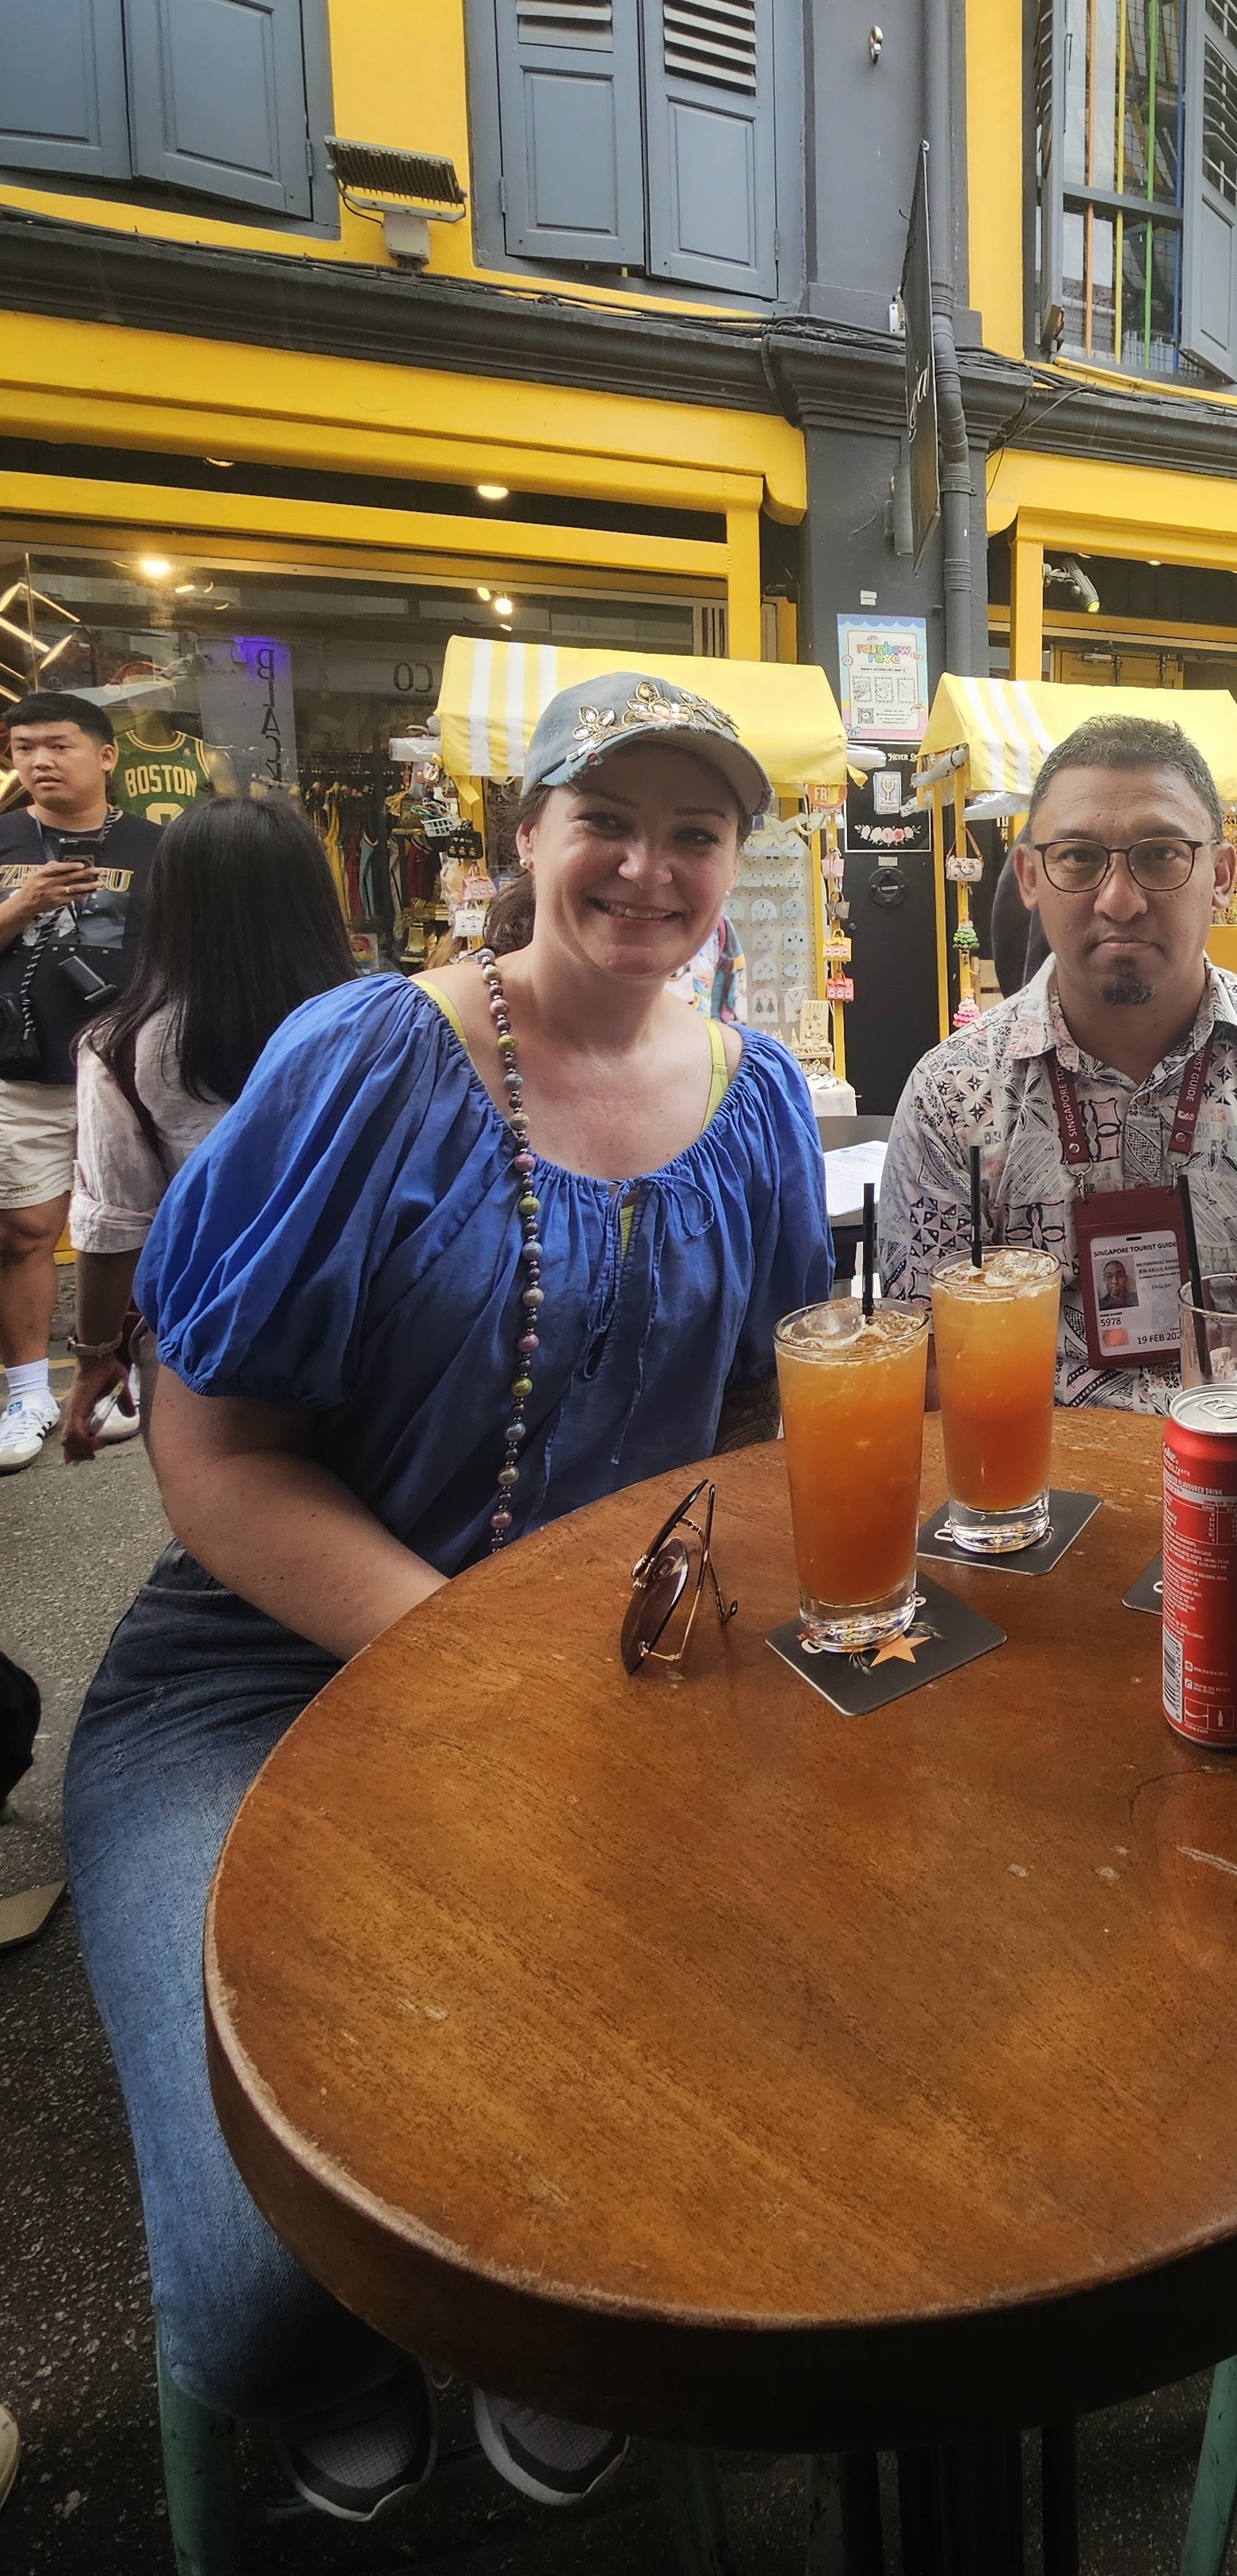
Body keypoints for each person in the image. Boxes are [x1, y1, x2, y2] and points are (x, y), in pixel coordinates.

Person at [63, 673, 831, 2528]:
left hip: (607, 1670)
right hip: (259, 1674)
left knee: (726, 2139)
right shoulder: (358, 1058)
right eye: (609, 820)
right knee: (259, 2299)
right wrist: (484, 1654)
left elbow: (754, 1413)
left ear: (733, 869)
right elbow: (213, 1448)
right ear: (524, 839)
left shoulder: (761, 1102)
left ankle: (530, 2325)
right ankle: (334, 2359)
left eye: (695, 834)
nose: (649, 866)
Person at [879, 713, 1237, 1407]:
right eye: (1079, 858)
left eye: (1160, 854)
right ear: (1029, 876)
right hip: (1028, 1499)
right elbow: (931, 1363)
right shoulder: (952, 1095)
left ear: (1222, 875)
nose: (1120, 900)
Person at [62, 796, 357, 1462]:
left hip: (211, 1335)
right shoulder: (382, 1020)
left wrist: (95, 1354)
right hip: (370, 1317)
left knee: (231, 1522)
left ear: (170, 902)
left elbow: (115, 1222)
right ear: (315, 899)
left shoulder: (123, 1046)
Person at [0, 691, 158, 1472]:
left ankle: (116, 1371)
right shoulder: (1, 841)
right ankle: (27, 1390)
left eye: (57, 744)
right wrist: (19, 904)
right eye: (23, 746)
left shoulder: (155, 845)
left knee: (130, 1228)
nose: (38, 760)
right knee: (22, 1231)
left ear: (106, 755)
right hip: (22, 1070)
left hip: (130, 1071)